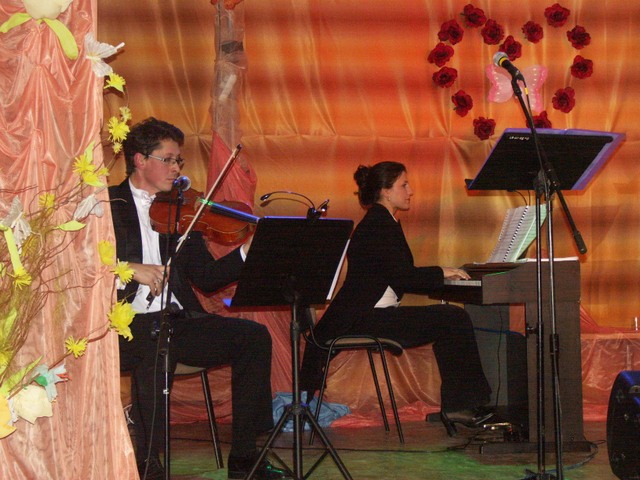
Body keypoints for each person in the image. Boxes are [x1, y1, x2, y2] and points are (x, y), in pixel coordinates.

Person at [109, 117, 287, 480]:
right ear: (140, 160)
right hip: (122, 327)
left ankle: (245, 459)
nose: (176, 168)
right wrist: (127, 268)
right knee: (154, 342)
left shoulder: (180, 212)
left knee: (252, 337)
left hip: (176, 322)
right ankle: (147, 464)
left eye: (179, 161)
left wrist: (245, 253)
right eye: (168, 160)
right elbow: (80, 265)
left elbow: (207, 278)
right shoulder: (107, 203)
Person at [300, 161, 493, 436]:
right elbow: (404, 277)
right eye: (404, 185)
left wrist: (441, 274)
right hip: (365, 318)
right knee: (453, 318)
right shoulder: (378, 224)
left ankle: (459, 405)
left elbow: (399, 274)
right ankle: (461, 405)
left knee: (450, 319)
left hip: (369, 316)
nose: (410, 191)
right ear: (386, 192)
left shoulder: (382, 221)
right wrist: (442, 272)